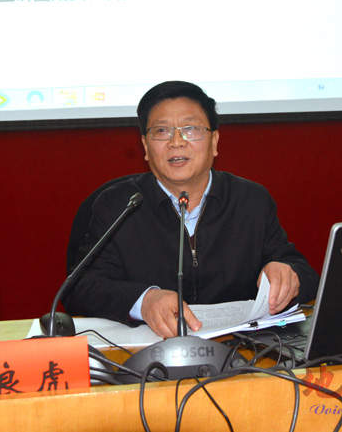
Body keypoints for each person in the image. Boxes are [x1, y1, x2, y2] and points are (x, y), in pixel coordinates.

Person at [62, 81, 319, 338]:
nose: (176, 142)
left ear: (214, 141)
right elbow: (79, 288)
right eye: (162, 131)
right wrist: (144, 301)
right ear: (146, 147)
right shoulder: (118, 204)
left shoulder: (251, 200)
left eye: (191, 129)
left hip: (240, 347)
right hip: (149, 349)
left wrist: (288, 274)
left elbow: (306, 275)